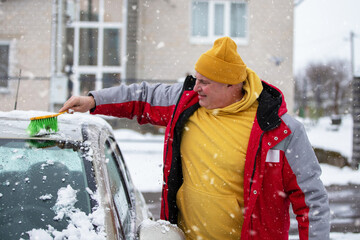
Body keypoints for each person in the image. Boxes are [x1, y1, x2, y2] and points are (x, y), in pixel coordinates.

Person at [59, 36, 330, 240]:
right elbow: (142, 97)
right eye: (196, 78)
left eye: (205, 82)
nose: (195, 86)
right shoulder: (186, 104)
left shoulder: (280, 130)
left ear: (232, 85)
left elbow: (312, 201)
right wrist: (94, 101)